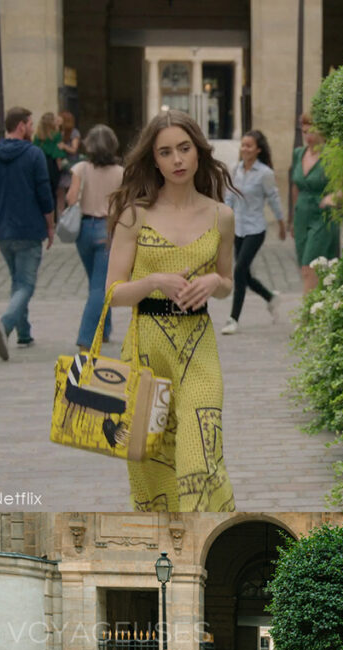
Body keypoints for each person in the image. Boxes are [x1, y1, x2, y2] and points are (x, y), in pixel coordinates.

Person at [106, 109, 236, 513]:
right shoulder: (135, 215)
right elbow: (113, 294)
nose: (177, 160)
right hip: (147, 348)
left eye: (184, 149)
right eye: (166, 152)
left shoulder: (221, 216)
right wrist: (153, 282)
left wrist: (215, 283)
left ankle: (208, 532)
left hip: (199, 347)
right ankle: (166, 540)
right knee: (151, 458)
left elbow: (228, 281)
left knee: (201, 451)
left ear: (199, 153)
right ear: (154, 160)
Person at [0, 106, 55, 361]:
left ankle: (24, 333)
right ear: (21, 126)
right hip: (29, 229)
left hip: (2, 231)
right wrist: (51, 225)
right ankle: (6, 324)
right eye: (30, 124)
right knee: (26, 284)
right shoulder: (34, 155)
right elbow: (44, 194)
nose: (32, 128)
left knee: (17, 280)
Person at [220, 129, 285, 335]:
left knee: (238, 271)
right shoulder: (235, 169)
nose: (245, 149)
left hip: (256, 229)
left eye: (249, 146)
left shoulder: (265, 173)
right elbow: (229, 195)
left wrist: (282, 224)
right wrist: (224, 216)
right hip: (238, 228)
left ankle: (233, 319)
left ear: (258, 149)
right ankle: (270, 297)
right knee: (244, 274)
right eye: (243, 145)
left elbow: (274, 198)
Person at [65, 124, 124, 351]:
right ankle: (87, 337)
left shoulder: (81, 168)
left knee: (96, 282)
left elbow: (71, 199)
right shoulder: (121, 173)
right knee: (101, 286)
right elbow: (124, 204)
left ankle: (105, 328)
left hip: (84, 230)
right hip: (107, 229)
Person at [289, 112, 339, 294]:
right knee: (307, 266)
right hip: (302, 214)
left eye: (311, 131)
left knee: (310, 266)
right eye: (304, 132)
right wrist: (293, 218)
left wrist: (334, 196)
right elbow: (295, 185)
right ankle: (321, 308)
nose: (307, 136)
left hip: (322, 214)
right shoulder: (298, 154)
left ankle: (306, 318)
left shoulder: (332, 154)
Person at [33, 111, 64, 202]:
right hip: (52, 163)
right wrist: (60, 165)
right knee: (53, 191)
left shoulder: (38, 136)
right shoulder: (56, 135)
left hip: (41, 162)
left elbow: (34, 149)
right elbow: (57, 151)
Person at [57, 110, 82, 217]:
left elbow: (74, 149)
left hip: (70, 165)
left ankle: (71, 218)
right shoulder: (58, 132)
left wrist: (64, 146)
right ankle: (60, 217)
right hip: (61, 166)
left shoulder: (74, 133)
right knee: (60, 195)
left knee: (72, 193)